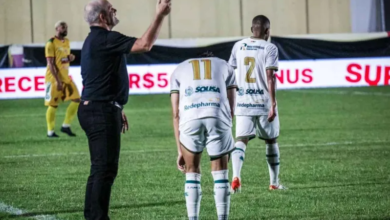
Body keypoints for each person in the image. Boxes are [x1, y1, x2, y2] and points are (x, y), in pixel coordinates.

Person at [78, 0, 171, 219]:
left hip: (96, 107)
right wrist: (160, 15)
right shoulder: (106, 38)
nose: (115, 10)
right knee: (105, 170)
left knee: (99, 168)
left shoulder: (92, 40)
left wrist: (116, 106)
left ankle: (92, 215)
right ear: (102, 17)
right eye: (111, 9)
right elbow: (145, 45)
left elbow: (97, 76)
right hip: (100, 111)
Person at [170, 51, 237, 220]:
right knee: (221, 174)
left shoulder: (179, 68)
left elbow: (175, 114)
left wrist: (180, 151)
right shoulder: (225, 65)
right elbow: (231, 109)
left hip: (190, 118)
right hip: (217, 115)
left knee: (191, 172)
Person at [228, 15, 286, 193]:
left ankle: (236, 177)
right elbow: (270, 77)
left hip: (243, 101)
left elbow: (231, 73)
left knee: (241, 141)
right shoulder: (270, 48)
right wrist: (273, 103)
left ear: (251, 29)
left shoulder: (238, 46)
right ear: (267, 31)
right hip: (262, 102)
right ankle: (274, 183)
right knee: (271, 140)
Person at [45, 21, 80, 138]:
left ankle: (66, 126)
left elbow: (63, 59)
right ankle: (50, 131)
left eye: (66, 27)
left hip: (66, 78)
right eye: (63, 27)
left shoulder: (67, 42)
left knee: (77, 99)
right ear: (57, 28)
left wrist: (70, 58)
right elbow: (50, 63)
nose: (65, 29)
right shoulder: (50, 43)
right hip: (53, 79)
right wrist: (57, 81)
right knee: (53, 104)